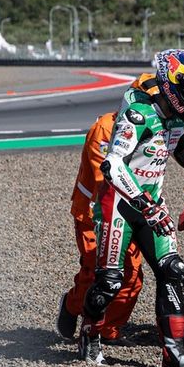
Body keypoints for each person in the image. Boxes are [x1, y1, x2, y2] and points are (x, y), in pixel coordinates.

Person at [77, 49, 184, 367]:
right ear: (172, 85)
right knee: (110, 282)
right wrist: (144, 203)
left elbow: (181, 150)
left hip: (151, 208)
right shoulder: (139, 113)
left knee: (174, 271)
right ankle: (89, 335)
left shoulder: (176, 119)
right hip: (118, 205)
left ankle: (174, 351)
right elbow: (113, 165)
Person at [57, 102, 146, 344]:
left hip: (130, 212)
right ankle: (71, 305)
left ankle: (108, 332)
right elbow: (103, 179)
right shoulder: (106, 128)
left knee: (132, 276)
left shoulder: (154, 129)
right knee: (94, 275)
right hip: (92, 213)